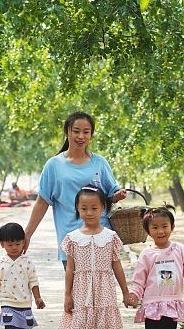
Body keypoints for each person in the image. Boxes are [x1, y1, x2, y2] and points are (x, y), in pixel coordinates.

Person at [24, 111, 127, 263]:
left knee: (102, 285)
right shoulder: (54, 165)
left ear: (91, 135)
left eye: (86, 132)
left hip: (101, 237)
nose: (81, 136)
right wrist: (27, 234)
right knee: (74, 287)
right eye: (76, 131)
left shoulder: (100, 163)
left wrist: (118, 195)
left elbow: (111, 194)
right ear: (67, 132)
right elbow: (42, 202)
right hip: (71, 240)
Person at [53, 186, 138, 329]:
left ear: (103, 208)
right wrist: (67, 295)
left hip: (104, 291)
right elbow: (70, 269)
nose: (89, 213)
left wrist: (125, 292)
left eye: (94, 208)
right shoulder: (72, 238)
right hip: (81, 292)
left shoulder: (110, 236)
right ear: (77, 208)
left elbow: (117, 265)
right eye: (84, 208)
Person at [130, 207, 184, 329]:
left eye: (164, 226)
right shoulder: (147, 254)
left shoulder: (179, 249)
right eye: (155, 228)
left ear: (172, 227)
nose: (160, 231)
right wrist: (134, 294)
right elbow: (139, 279)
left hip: (172, 303)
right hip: (152, 305)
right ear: (148, 231)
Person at [0, 222, 46, 329]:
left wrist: (38, 298)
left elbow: (33, 281)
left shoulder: (27, 262)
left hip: (25, 304)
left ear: (24, 242)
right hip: (7, 304)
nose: (14, 247)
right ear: (2, 244)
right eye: (10, 244)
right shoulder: (0, 263)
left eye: (18, 243)